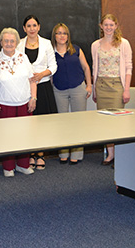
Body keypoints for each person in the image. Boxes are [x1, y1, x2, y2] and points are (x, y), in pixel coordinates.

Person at [0, 28, 37, 177]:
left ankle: (23, 165)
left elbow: (32, 80)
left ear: (16, 42)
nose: (9, 44)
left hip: (24, 104)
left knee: (25, 136)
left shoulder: (24, 57)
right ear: (1, 42)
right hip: (3, 105)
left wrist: (33, 98)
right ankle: (8, 168)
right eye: (6, 41)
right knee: (6, 137)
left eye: (12, 41)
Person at [16, 15, 57, 170]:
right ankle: (30, 153)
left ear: (39, 27)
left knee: (43, 123)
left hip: (44, 87)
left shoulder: (47, 44)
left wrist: (42, 74)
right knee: (29, 124)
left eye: (34, 25)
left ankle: (40, 155)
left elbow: (53, 66)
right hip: (25, 89)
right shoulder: (18, 44)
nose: (32, 29)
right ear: (24, 28)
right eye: (28, 26)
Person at [91, 14, 132, 165]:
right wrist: (95, 90)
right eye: (105, 25)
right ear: (101, 26)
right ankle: (110, 154)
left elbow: (128, 67)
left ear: (116, 25)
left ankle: (120, 155)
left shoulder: (123, 43)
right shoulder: (96, 45)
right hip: (101, 85)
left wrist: (126, 89)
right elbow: (95, 68)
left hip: (117, 86)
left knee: (117, 122)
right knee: (104, 122)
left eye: (111, 25)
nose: (108, 28)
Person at [51, 23, 92, 164]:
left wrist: (89, 85)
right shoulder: (50, 52)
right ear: (54, 36)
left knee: (78, 122)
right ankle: (63, 153)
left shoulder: (76, 50)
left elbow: (86, 67)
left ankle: (76, 154)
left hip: (78, 88)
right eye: (59, 33)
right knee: (62, 123)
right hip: (59, 90)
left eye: (64, 33)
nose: (61, 36)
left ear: (68, 36)